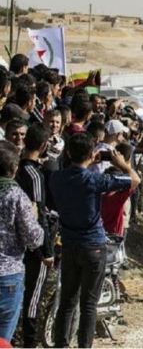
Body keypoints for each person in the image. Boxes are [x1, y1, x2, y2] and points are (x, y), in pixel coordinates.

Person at [48, 133, 140, 348]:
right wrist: (122, 164)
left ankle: (61, 344)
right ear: (91, 154)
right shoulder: (94, 179)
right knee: (88, 304)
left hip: (69, 243)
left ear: (68, 153)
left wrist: (87, 160)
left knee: (67, 302)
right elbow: (135, 180)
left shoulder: (56, 178)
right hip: (93, 245)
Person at [15, 124, 55, 348]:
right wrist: (46, 251)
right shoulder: (35, 175)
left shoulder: (14, 168)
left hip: (13, 243)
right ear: (44, 145)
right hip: (34, 246)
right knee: (33, 295)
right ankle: (29, 342)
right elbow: (39, 214)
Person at [0, 141, 43, 342]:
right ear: (14, 169)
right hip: (8, 276)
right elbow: (34, 239)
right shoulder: (16, 195)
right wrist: (34, 216)